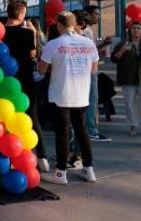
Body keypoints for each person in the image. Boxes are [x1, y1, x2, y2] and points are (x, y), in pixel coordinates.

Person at [37, 11, 97, 185]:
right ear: (75, 23)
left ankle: (61, 173)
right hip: (82, 94)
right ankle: (89, 169)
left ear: (59, 25)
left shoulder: (54, 44)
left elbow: (41, 70)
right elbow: (93, 70)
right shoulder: (88, 43)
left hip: (61, 94)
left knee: (62, 133)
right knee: (82, 131)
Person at [3, 2, 47, 170]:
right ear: (21, 15)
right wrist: (34, 33)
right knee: (32, 116)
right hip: (26, 79)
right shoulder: (27, 33)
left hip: (6, 81)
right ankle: (42, 156)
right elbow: (33, 53)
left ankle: (10, 156)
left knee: (7, 118)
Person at [75, 11, 113, 142]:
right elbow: (92, 53)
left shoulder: (69, 37)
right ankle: (90, 130)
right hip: (88, 70)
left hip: (80, 72)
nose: (97, 17)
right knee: (91, 100)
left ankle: (81, 131)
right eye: (95, 14)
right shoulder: (86, 33)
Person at [111, 21, 141, 137]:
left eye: (138, 28)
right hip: (127, 77)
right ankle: (133, 125)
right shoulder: (122, 44)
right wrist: (122, 50)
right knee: (129, 102)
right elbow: (114, 59)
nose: (136, 30)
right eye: (133, 28)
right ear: (129, 30)